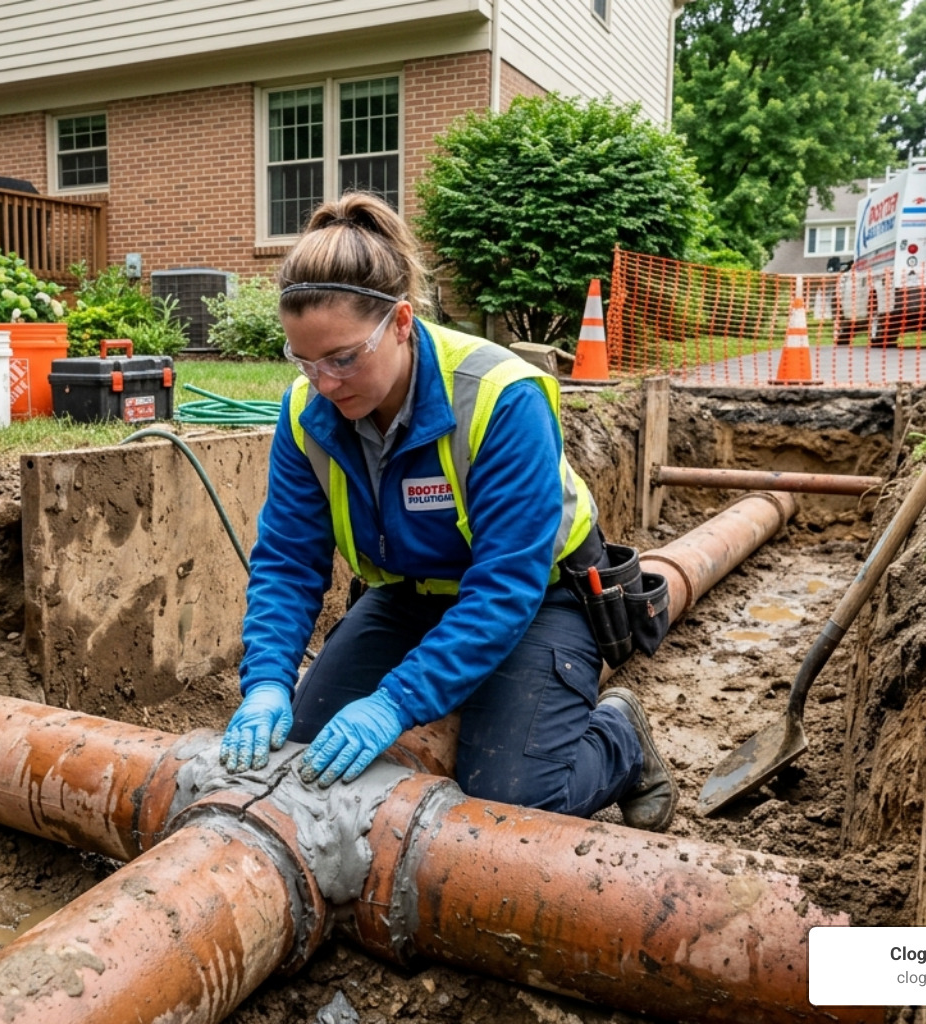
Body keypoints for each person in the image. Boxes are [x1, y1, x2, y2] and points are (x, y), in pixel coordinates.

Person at [218, 193, 675, 831]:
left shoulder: (498, 398)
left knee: (512, 799)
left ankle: (619, 739)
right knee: (301, 749)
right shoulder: (306, 415)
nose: (324, 383)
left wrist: (395, 702)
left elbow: (506, 585)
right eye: (306, 360)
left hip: (539, 596)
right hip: (410, 594)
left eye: (344, 358)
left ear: (401, 322)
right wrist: (267, 680)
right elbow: (288, 561)